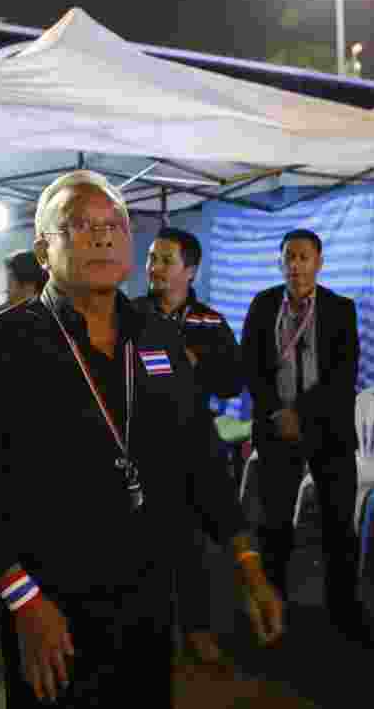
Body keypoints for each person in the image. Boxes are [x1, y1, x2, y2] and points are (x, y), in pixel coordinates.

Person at [0, 170, 284, 708]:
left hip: (146, 598)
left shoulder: (158, 337)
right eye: (78, 225)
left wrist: (247, 560)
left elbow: (199, 455)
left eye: (114, 225)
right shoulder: (3, 344)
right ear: (43, 250)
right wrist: (23, 601)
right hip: (49, 604)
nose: (101, 236)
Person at [240, 228, 373, 646]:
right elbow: (251, 366)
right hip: (277, 430)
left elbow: (343, 374)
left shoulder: (340, 309)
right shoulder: (263, 305)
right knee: (275, 525)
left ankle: (344, 611)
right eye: (288, 257)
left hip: (328, 432)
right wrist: (279, 413)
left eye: (303, 257)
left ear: (319, 262)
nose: (295, 265)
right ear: (279, 262)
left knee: (338, 527)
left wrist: (302, 413)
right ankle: (273, 605)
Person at [133, 226, 245, 665]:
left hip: (192, 449)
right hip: (140, 448)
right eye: (152, 259)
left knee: (192, 547)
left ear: (190, 270)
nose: (154, 268)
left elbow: (233, 382)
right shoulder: (131, 315)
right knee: (142, 547)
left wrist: (198, 364)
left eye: (166, 260)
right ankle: (148, 631)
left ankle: (197, 629)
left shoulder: (210, 323)